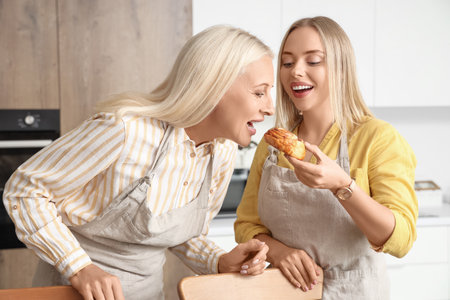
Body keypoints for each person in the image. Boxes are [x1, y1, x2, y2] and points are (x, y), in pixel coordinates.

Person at [3, 25, 275, 300]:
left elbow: (175, 232)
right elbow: (25, 190)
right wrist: (79, 268)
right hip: (70, 290)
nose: (270, 108)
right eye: (260, 92)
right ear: (215, 86)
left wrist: (219, 261)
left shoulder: (221, 153)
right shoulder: (125, 131)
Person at [234, 16, 418, 299]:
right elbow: (246, 226)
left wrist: (342, 186)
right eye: (287, 62)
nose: (296, 71)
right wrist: (280, 252)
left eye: (313, 61)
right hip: (282, 293)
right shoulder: (273, 145)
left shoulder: (378, 138)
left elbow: (401, 239)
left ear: (341, 69)